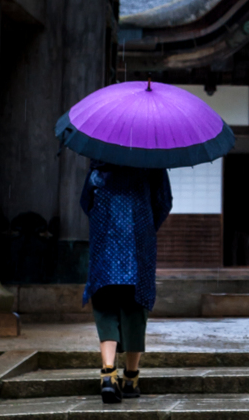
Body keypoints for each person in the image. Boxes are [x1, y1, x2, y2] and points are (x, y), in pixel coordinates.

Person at [81, 159, 172, 404]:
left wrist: (105, 219)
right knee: (135, 306)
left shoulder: (100, 160)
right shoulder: (151, 160)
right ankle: (130, 378)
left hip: (106, 240)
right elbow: (163, 202)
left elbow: (86, 201)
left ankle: (108, 374)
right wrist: (146, 224)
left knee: (106, 305)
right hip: (139, 240)